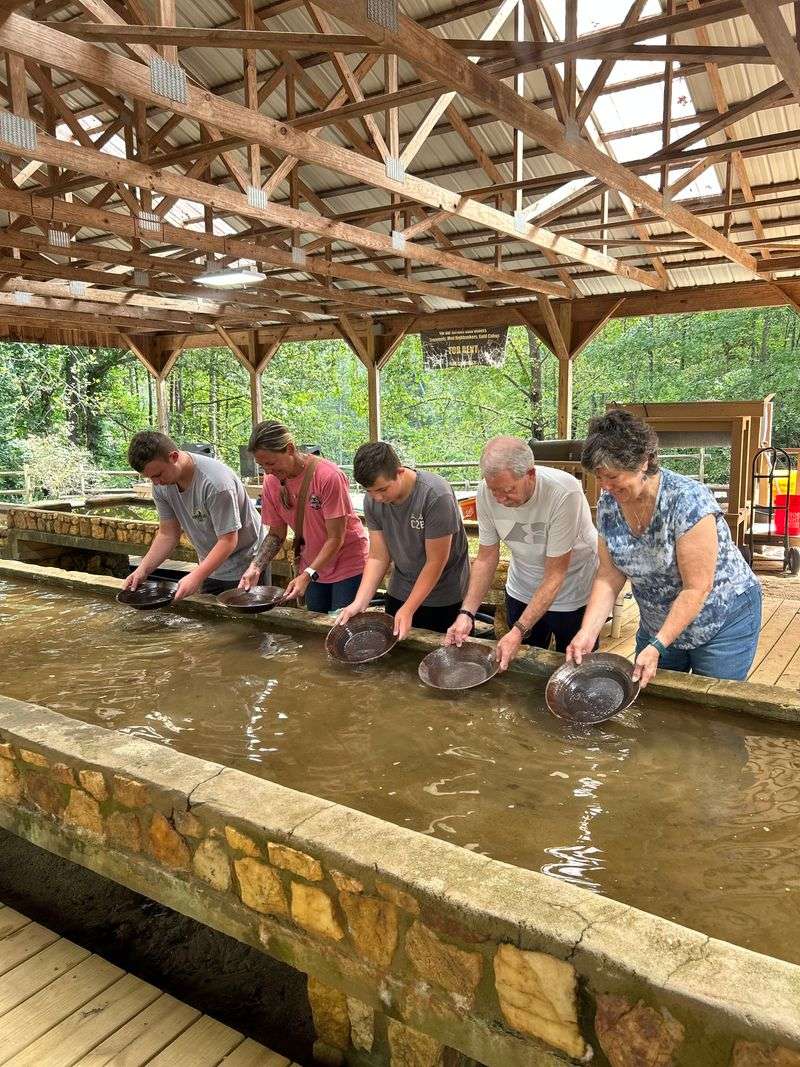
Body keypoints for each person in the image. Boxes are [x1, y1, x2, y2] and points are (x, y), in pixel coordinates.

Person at [566, 408, 762, 687]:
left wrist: (658, 645)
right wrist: (588, 631)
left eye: (613, 476)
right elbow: (608, 576)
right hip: (657, 618)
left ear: (643, 462)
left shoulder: (687, 501)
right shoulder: (609, 504)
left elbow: (697, 588)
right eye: (599, 477)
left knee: (711, 707)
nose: (605, 486)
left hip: (720, 617)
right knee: (654, 699)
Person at [446, 437, 598, 669]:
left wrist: (518, 630)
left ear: (530, 474)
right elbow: (487, 557)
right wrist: (467, 613)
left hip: (571, 591)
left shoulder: (565, 493)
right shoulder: (486, 492)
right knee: (523, 665)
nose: (499, 499)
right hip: (522, 586)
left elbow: (556, 574)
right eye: (493, 490)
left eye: (508, 490)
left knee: (575, 664)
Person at [336, 442, 469, 639]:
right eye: (369, 491)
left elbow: (436, 562)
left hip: (443, 592)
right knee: (395, 650)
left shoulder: (435, 495)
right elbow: (378, 557)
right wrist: (360, 601)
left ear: (400, 472)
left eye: (382, 489)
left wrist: (409, 609)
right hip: (401, 587)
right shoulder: (372, 499)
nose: (377, 498)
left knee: (441, 656)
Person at [239, 421, 368, 612]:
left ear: (289, 449)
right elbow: (276, 534)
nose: (267, 471)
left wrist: (308, 574)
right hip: (311, 564)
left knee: (340, 625)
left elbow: (335, 538)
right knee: (314, 625)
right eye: (261, 465)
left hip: (347, 564)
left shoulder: (328, 476)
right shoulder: (271, 482)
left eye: (271, 463)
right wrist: (256, 567)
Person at [124, 431, 264, 600]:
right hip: (210, 563)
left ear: (174, 457)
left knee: (245, 622)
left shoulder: (216, 484)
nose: (156, 483)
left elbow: (228, 541)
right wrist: (142, 570)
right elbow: (167, 534)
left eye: (158, 475)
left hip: (246, 562)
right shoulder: (161, 485)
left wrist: (196, 576)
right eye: (150, 478)